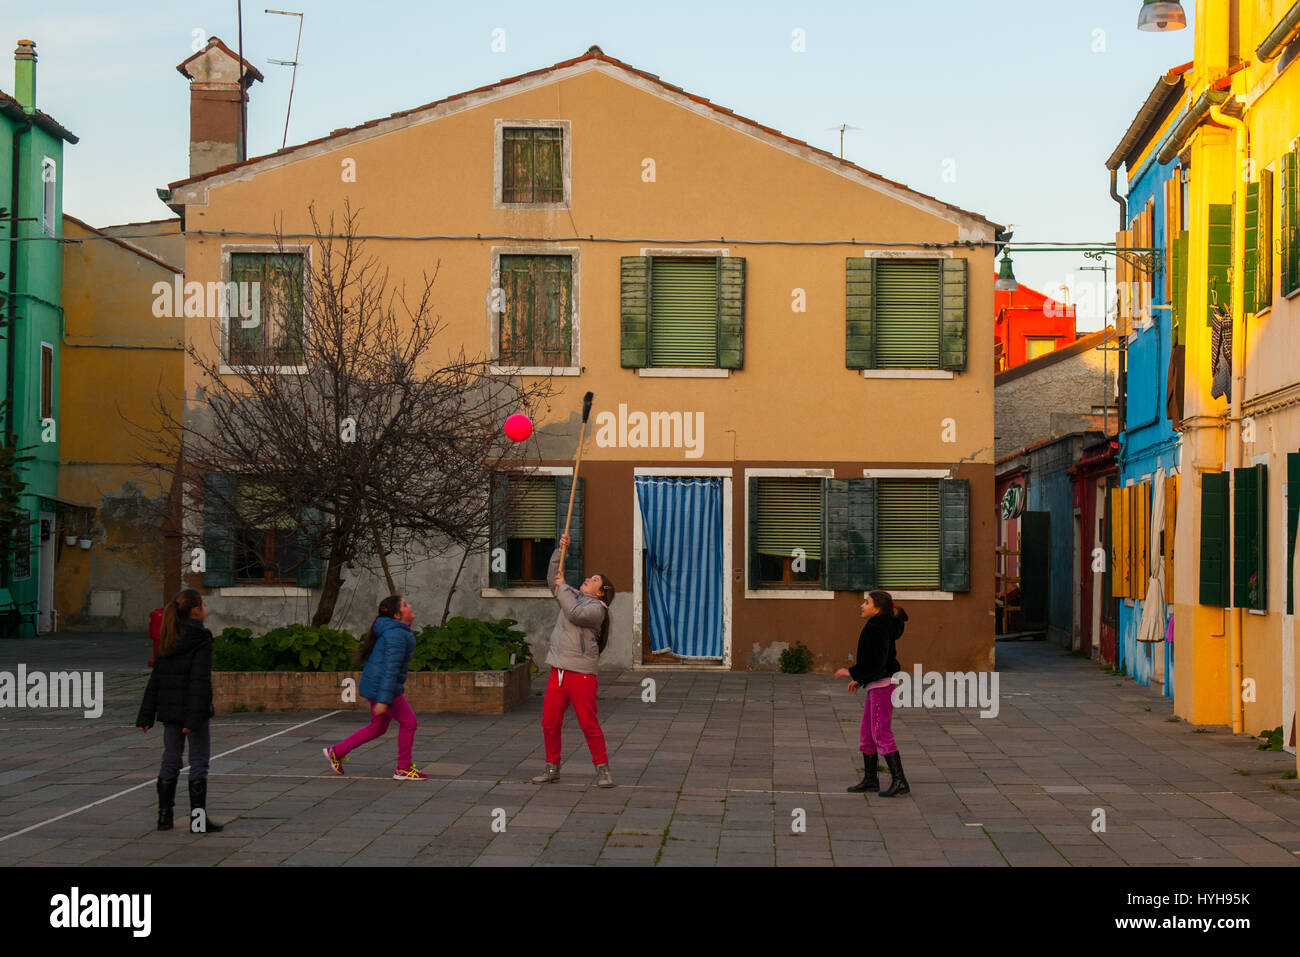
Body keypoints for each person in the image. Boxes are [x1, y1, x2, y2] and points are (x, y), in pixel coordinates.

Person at [532, 533, 616, 788]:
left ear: (601, 593)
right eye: (590, 578)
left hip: (580, 673)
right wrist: (561, 551)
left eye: (594, 581)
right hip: (558, 670)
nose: (588, 579)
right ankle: (551, 767)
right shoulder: (572, 594)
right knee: (549, 723)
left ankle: (603, 770)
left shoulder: (598, 610)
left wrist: (562, 585)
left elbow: (575, 612)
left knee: (588, 723)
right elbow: (552, 580)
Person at [136, 588, 224, 832]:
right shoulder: (201, 637)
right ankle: (197, 822)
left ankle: (164, 817)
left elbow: (156, 679)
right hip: (192, 711)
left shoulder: (169, 635)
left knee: (171, 759)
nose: (205, 608)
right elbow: (199, 681)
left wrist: (146, 715)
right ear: (196, 611)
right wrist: (194, 718)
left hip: (170, 711)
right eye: (203, 604)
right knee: (198, 762)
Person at [323, 595, 426, 780]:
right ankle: (404, 768)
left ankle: (336, 752)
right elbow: (390, 668)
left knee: (377, 728)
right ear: (397, 615)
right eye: (405, 605)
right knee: (409, 722)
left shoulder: (395, 630)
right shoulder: (396, 634)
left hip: (378, 686)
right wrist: (383, 700)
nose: (410, 606)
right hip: (383, 688)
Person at [834, 590, 910, 797]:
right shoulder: (881, 624)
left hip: (882, 687)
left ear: (877, 608)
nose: (862, 605)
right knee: (867, 735)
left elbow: (877, 661)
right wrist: (861, 679)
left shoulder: (877, 628)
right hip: (876, 684)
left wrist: (853, 673)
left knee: (880, 733)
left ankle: (900, 781)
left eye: (866, 602)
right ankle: (870, 780)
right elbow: (876, 662)